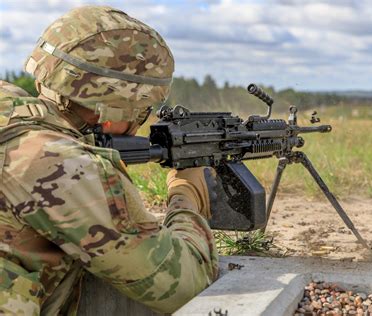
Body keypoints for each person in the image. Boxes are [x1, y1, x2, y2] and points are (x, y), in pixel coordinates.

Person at [0, 5, 218, 315]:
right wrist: (186, 196)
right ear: (117, 109)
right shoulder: (59, 164)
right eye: (142, 112)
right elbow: (183, 284)